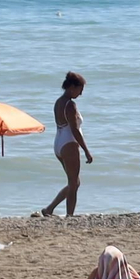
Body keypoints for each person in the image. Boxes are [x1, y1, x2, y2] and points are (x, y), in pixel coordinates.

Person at [40, 71, 92, 217]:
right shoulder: (70, 105)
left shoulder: (58, 102)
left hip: (59, 142)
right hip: (69, 143)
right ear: (72, 87)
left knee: (74, 182)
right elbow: (75, 130)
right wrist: (86, 150)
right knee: (74, 183)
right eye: (80, 90)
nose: (80, 94)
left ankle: (49, 209)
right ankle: (70, 216)